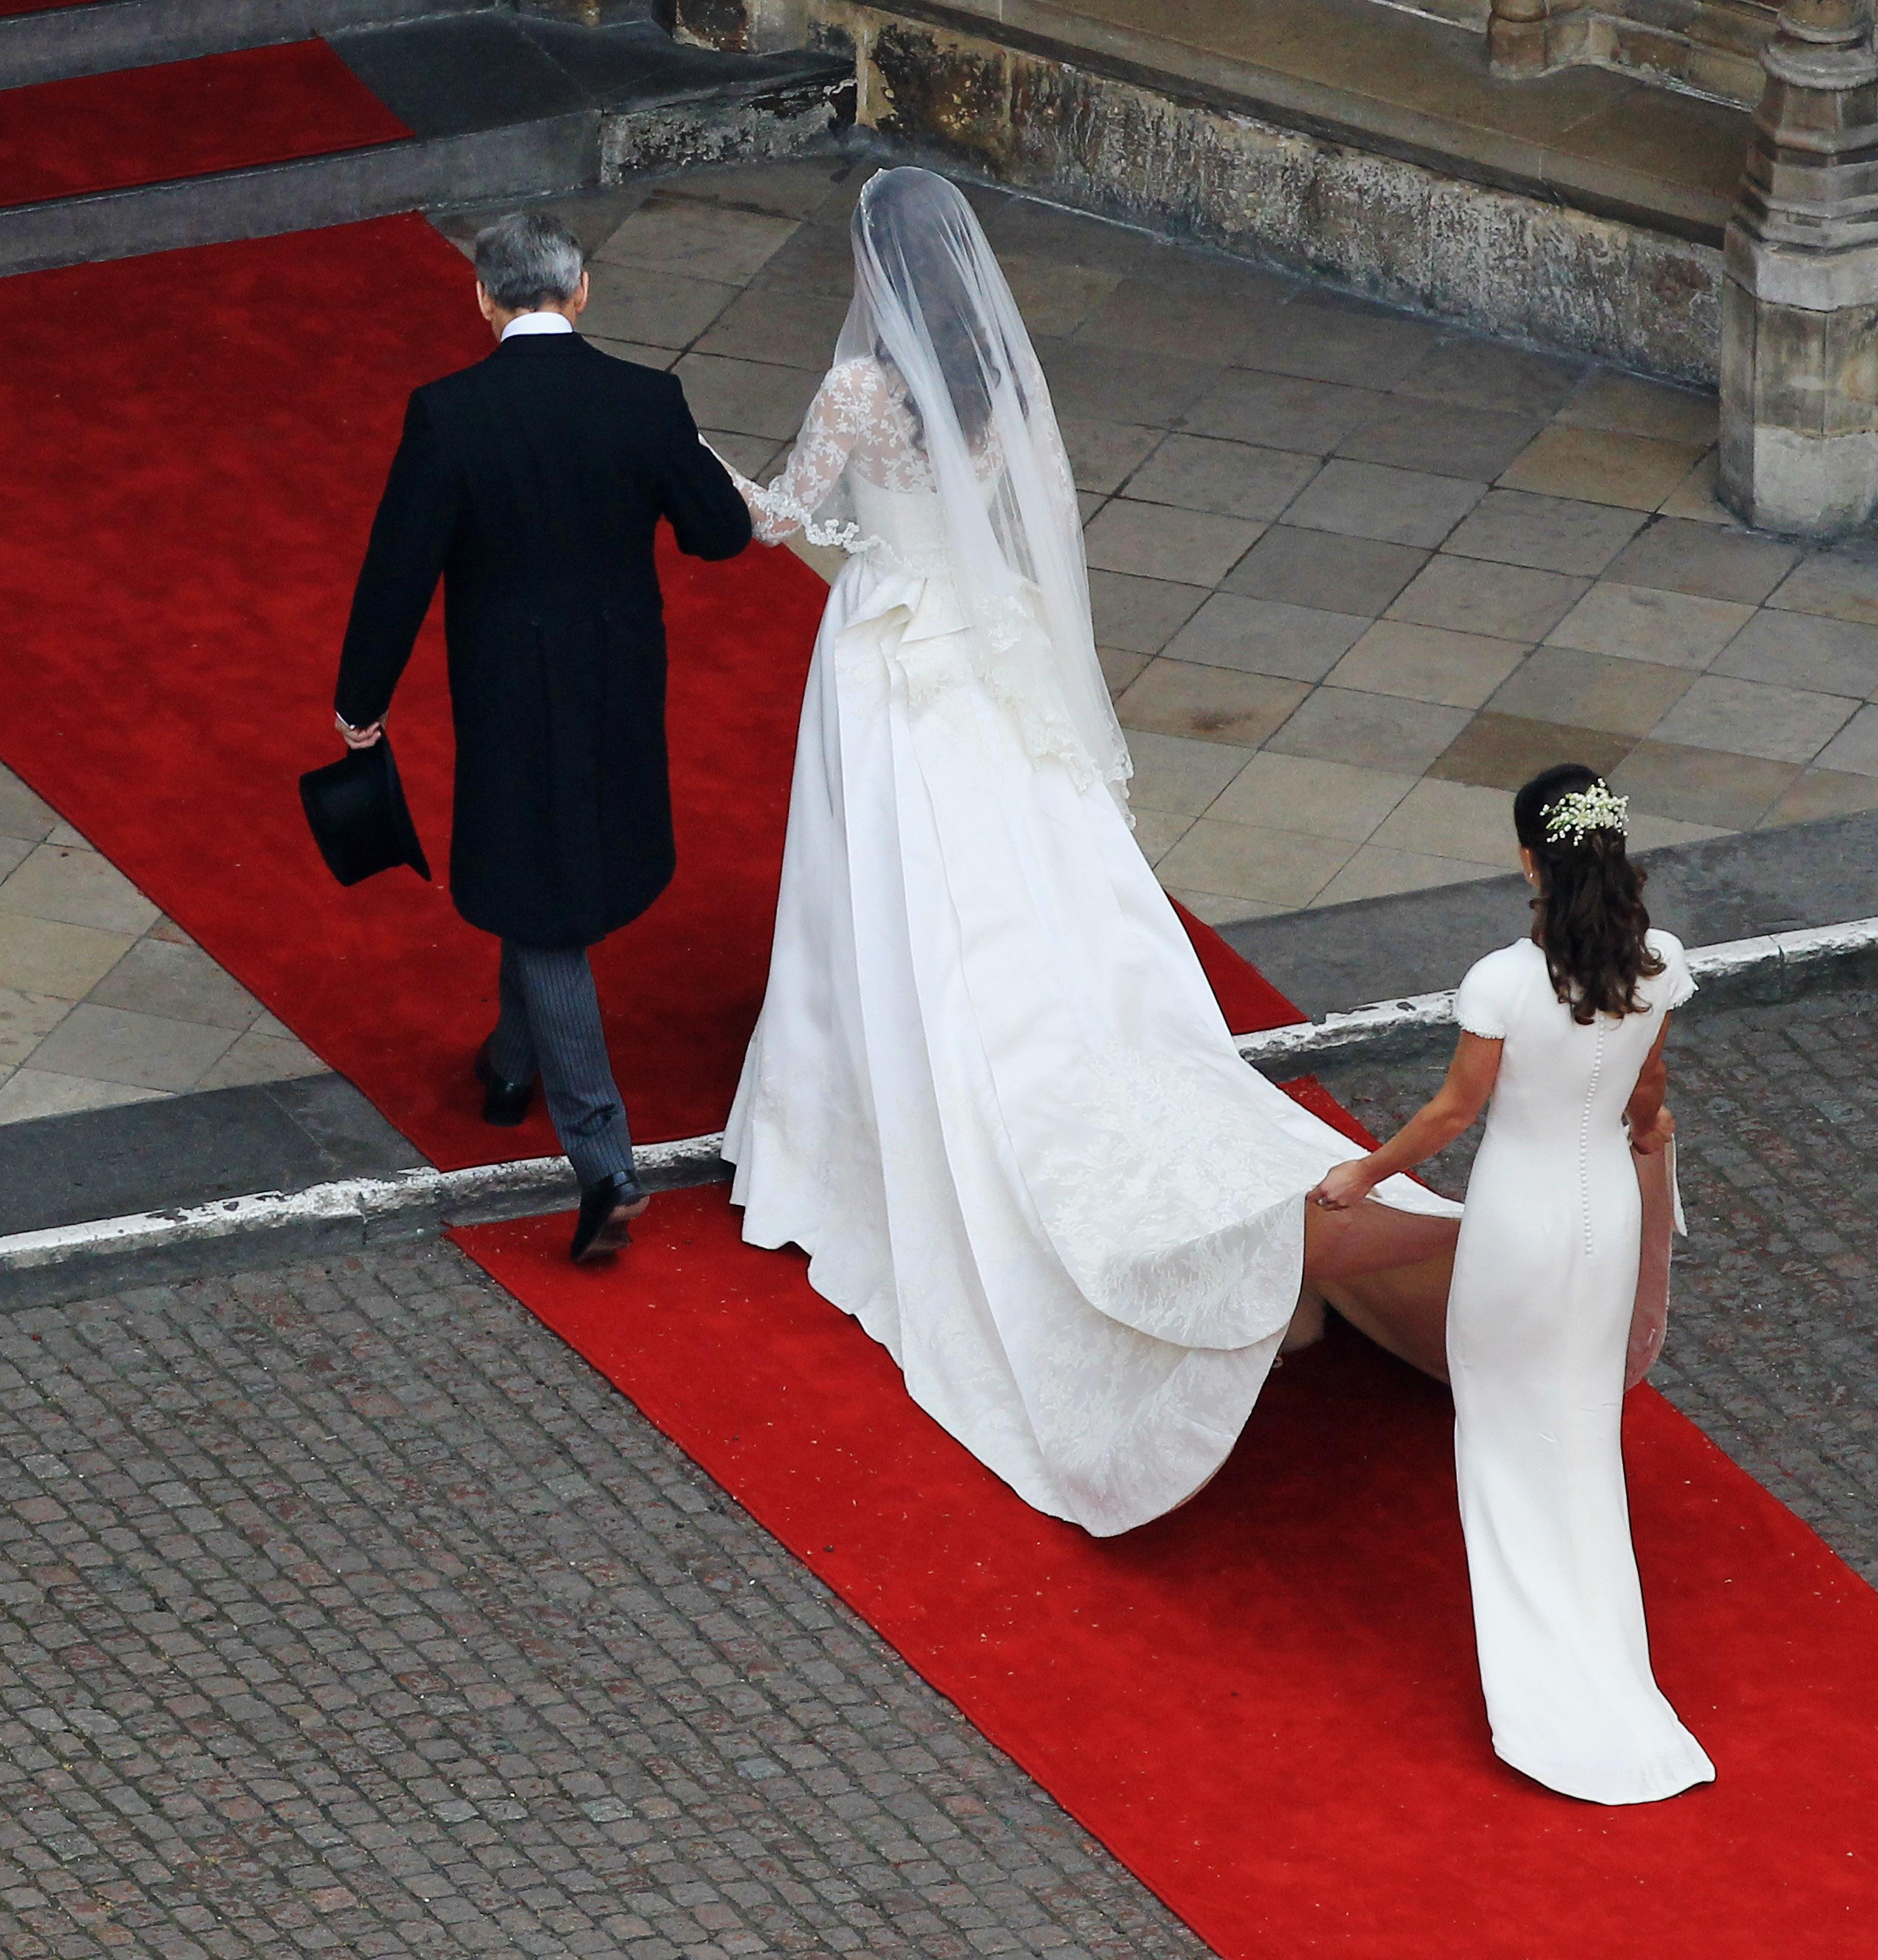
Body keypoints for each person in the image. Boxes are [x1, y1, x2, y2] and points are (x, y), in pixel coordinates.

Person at [709, 166, 1464, 1538]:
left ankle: (846, 1120)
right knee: (1023, 888)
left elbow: (784, 519)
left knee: (878, 898)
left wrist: (702, 474)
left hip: (891, 660)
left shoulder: (859, 396)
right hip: (984, 655)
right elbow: (1029, 526)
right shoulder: (991, 388)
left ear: (877, 279)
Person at [333, 211, 753, 1263]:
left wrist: (359, 701)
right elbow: (718, 534)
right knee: (549, 878)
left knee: (538, 896)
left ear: (482, 298)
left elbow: (399, 572)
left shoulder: (449, 414)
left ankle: (603, 1155)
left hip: (508, 690)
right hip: (619, 681)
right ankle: (510, 1065)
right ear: (582, 291)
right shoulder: (646, 400)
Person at [1309, 766, 1714, 1805]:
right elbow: (1650, 1090)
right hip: (1605, 1221)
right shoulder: (1658, 962)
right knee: (1581, 1428)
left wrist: (1361, 1173)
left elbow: (1453, 1114)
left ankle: (1548, 1689)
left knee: (1499, 1431)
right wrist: (1640, 1133)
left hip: (1520, 1223)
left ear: (1531, 859)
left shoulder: (1502, 981)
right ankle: (1611, 1670)